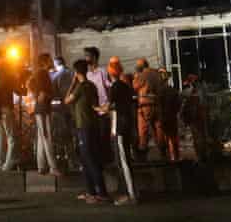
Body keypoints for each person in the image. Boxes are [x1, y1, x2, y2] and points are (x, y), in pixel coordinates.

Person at [65, 59, 109, 204]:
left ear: (76, 73)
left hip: (84, 126)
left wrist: (72, 83)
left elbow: (67, 100)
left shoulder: (81, 87)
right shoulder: (92, 86)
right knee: (86, 159)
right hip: (92, 125)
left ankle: (101, 193)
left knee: (89, 159)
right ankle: (91, 191)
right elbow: (94, 105)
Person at [107, 62, 137, 205]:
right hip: (126, 126)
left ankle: (130, 195)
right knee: (125, 160)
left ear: (112, 71)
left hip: (119, 126)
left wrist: (99, 109)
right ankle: (129, 192)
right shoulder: (125, 86)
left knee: (123, 161)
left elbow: (109, 106)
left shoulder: (115, 87)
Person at [29, 53, 60, 175]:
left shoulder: (39, 73)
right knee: (47, 137)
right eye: (50, 60)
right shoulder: (42, 73)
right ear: (45, 62)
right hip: (43, 109)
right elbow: (42, 92)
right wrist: (43, 96)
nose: (52, 62)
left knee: (42, 138)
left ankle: (41, 166)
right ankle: (53, 167)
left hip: (41, 109)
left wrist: (36, 95)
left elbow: (30, 84)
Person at [84, 46, 113, 164]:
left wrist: (108, 105)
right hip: (91, 110)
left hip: (102, 109)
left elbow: (109, 87)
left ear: (94, 57)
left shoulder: (102, 71)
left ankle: (107, 160)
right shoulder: (86, 74)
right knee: (94, 137)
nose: (85, 58)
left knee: (104, 136)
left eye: (87, 56)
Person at [133, 58, 164, 161]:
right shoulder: (156, 74)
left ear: (141, 66)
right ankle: (163, 152)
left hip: (145, 106)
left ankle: (143, 155)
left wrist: (136, 76)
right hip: (157, 105)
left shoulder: (142, 75)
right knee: (158, 129)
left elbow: (135, 86)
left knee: (143, 130)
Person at [0, 62, 20, 171]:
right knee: (12, 138)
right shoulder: (9, 79)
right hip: (6, 110)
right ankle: (8, 166)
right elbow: (21, 91)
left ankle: (0, 164)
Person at [50, 56, 76, 168]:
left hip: (59, 109)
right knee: (71, 135)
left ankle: (63, 160)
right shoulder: (72, 74)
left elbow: (53, 93)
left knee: (61, 136)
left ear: (56, 64)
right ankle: (72, 160)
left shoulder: (54, 76)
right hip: (71, 108)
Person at [180, 75, 208, 162]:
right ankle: (202, 156)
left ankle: (201, 156)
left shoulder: (190, 92)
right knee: (201, 136)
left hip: (195, 117)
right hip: (199, 117)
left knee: (198, 137)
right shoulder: (201, 91)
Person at [157, 70, 182, 162]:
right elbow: (178, 103)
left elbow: (159, 106)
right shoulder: (172, 90)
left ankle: (170, 157)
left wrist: (160, 117)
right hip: (172, 116)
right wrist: (175, 112)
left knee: (167, 138)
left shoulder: (160, 92)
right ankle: (176, 156)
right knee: (174, 137)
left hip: (164, 117)